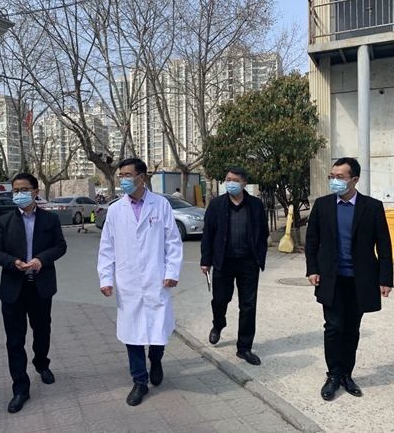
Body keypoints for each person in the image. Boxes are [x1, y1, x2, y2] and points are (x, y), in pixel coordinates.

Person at [305, 157, 393, 401]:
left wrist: (385, 278)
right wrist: (312, 270)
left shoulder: (372, 207)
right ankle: (333, 375)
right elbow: (312, 241)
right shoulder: (322, 205)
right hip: (331, 278)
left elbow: (384, 245)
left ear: (354, 180)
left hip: (360, 280)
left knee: (352, 329)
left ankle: (347, 374)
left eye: (340, 177)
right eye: (332, 176)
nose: (334, 181)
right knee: (333, 327)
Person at [98, 158, 183, 406]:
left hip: (157, 279)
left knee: (158, 329)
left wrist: (172, 271)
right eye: (120, 176)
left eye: (127, 175)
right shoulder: (115, 210)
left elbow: (173, 241)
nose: (123, 180)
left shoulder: (161, 204)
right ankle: (139, 381)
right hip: (129, 282)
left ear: (141, 177)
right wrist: (106, 277)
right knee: (132, 333)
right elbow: (107, 247)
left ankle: (156, 360)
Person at [0, 172, 67, 414]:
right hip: (13, 288)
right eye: (15, 190)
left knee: (42, 331)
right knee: (14, 340)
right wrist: (13, 263)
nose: (19, 194)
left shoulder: (50, 219)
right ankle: (20, 388)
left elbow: (60, 246)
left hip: (41, 287)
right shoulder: (4, 221)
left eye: (24, 190)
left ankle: (42, 363)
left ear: (35, 192)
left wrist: (41, 259)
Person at [200, 166, 269, 365]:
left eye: (235, 180)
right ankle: (218, 324)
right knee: (220, 300)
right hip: (223, 261)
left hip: (248, 262)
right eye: (228, 179)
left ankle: (244, 347)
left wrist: (259, 256)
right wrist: (206, 260)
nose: (230, 183)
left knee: (248, 305)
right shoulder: (217, 204)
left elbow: (263, 232)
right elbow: (208, 234)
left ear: (244, 184)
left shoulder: (255, 205)